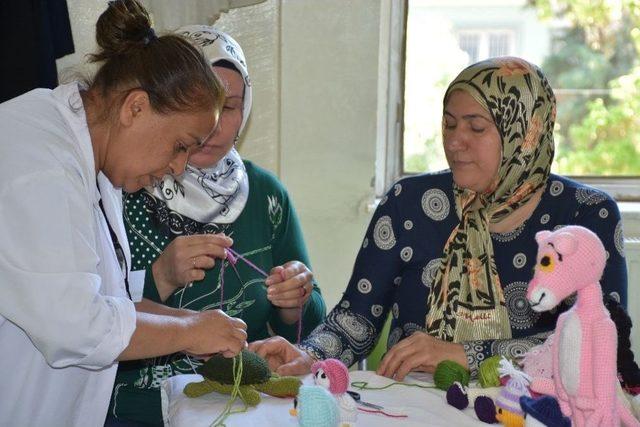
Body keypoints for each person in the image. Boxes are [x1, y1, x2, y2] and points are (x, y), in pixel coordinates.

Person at [250, 57, 628, 382]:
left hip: (532, 408)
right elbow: (356, 321)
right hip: (412, 406)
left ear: (525, 134)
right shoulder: (410, 205)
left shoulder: (584, 216)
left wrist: (464, 355)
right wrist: (309, 354)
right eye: (449, 124)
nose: (454, 141)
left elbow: (600, 340)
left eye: (476, 127)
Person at [0, 2, 248, 426]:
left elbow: (110, 300)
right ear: (135, 108)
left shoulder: (96, 157)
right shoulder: (38, 161)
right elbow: (75, 325)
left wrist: (196, 322)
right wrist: (190, 332)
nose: (178, 167)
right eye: (180, 145)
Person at [107, 26, 326, 425]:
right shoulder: (126, 184)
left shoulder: (265, 194)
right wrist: (160, 277)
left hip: (246, 408)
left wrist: (295, 304)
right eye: (201, 102)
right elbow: (90, 323)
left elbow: (310, 326)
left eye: (230, 107)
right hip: (140, 411)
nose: (213, 125)